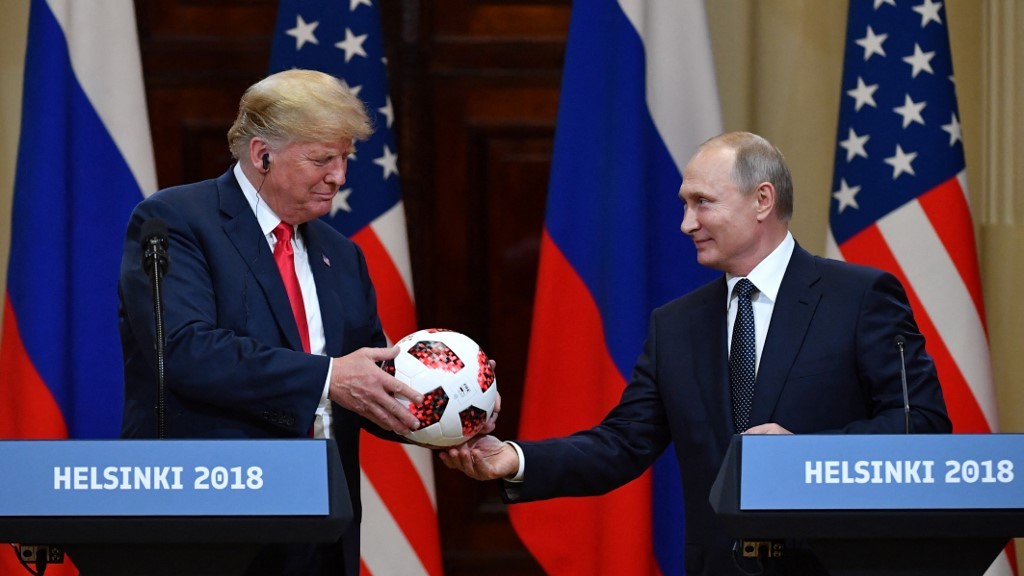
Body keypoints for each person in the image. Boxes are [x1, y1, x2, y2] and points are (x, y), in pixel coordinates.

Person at [440, 131, 952, 575]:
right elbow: (622, 443)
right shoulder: (676, 325)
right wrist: (515, 459)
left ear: (762, 200)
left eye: (703, 202)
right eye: (685, 204)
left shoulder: (859, 298)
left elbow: (922, 424)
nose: (687, 223)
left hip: (833, 565)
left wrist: (807, 455)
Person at [118, 69, 427, 576]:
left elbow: (373, 382)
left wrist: (452, 409)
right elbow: (184, 349)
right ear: (262, 154)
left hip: (321, 530)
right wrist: (329, 377)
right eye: (323, 159)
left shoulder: (341, 255)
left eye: (345, 158)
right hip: (213, 522)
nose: (340, 176)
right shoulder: (176, 220)